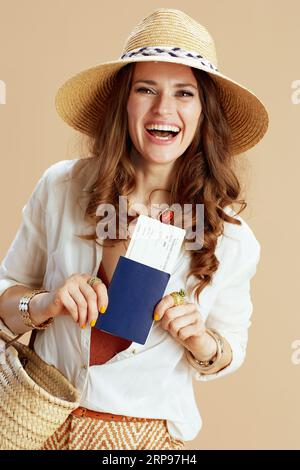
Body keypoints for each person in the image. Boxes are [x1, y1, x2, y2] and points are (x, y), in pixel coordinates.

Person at [0, 8, 268, 450]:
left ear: (204, 113)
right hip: (36, 423)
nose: (164, 109)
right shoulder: (61, 187)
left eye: (184, 93)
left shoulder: (232, 236)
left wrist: (201, 340)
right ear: (124, 102)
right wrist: (45, 303)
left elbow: (230, 349)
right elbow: (6, 298)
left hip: (146, 441)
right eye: (146, 89)